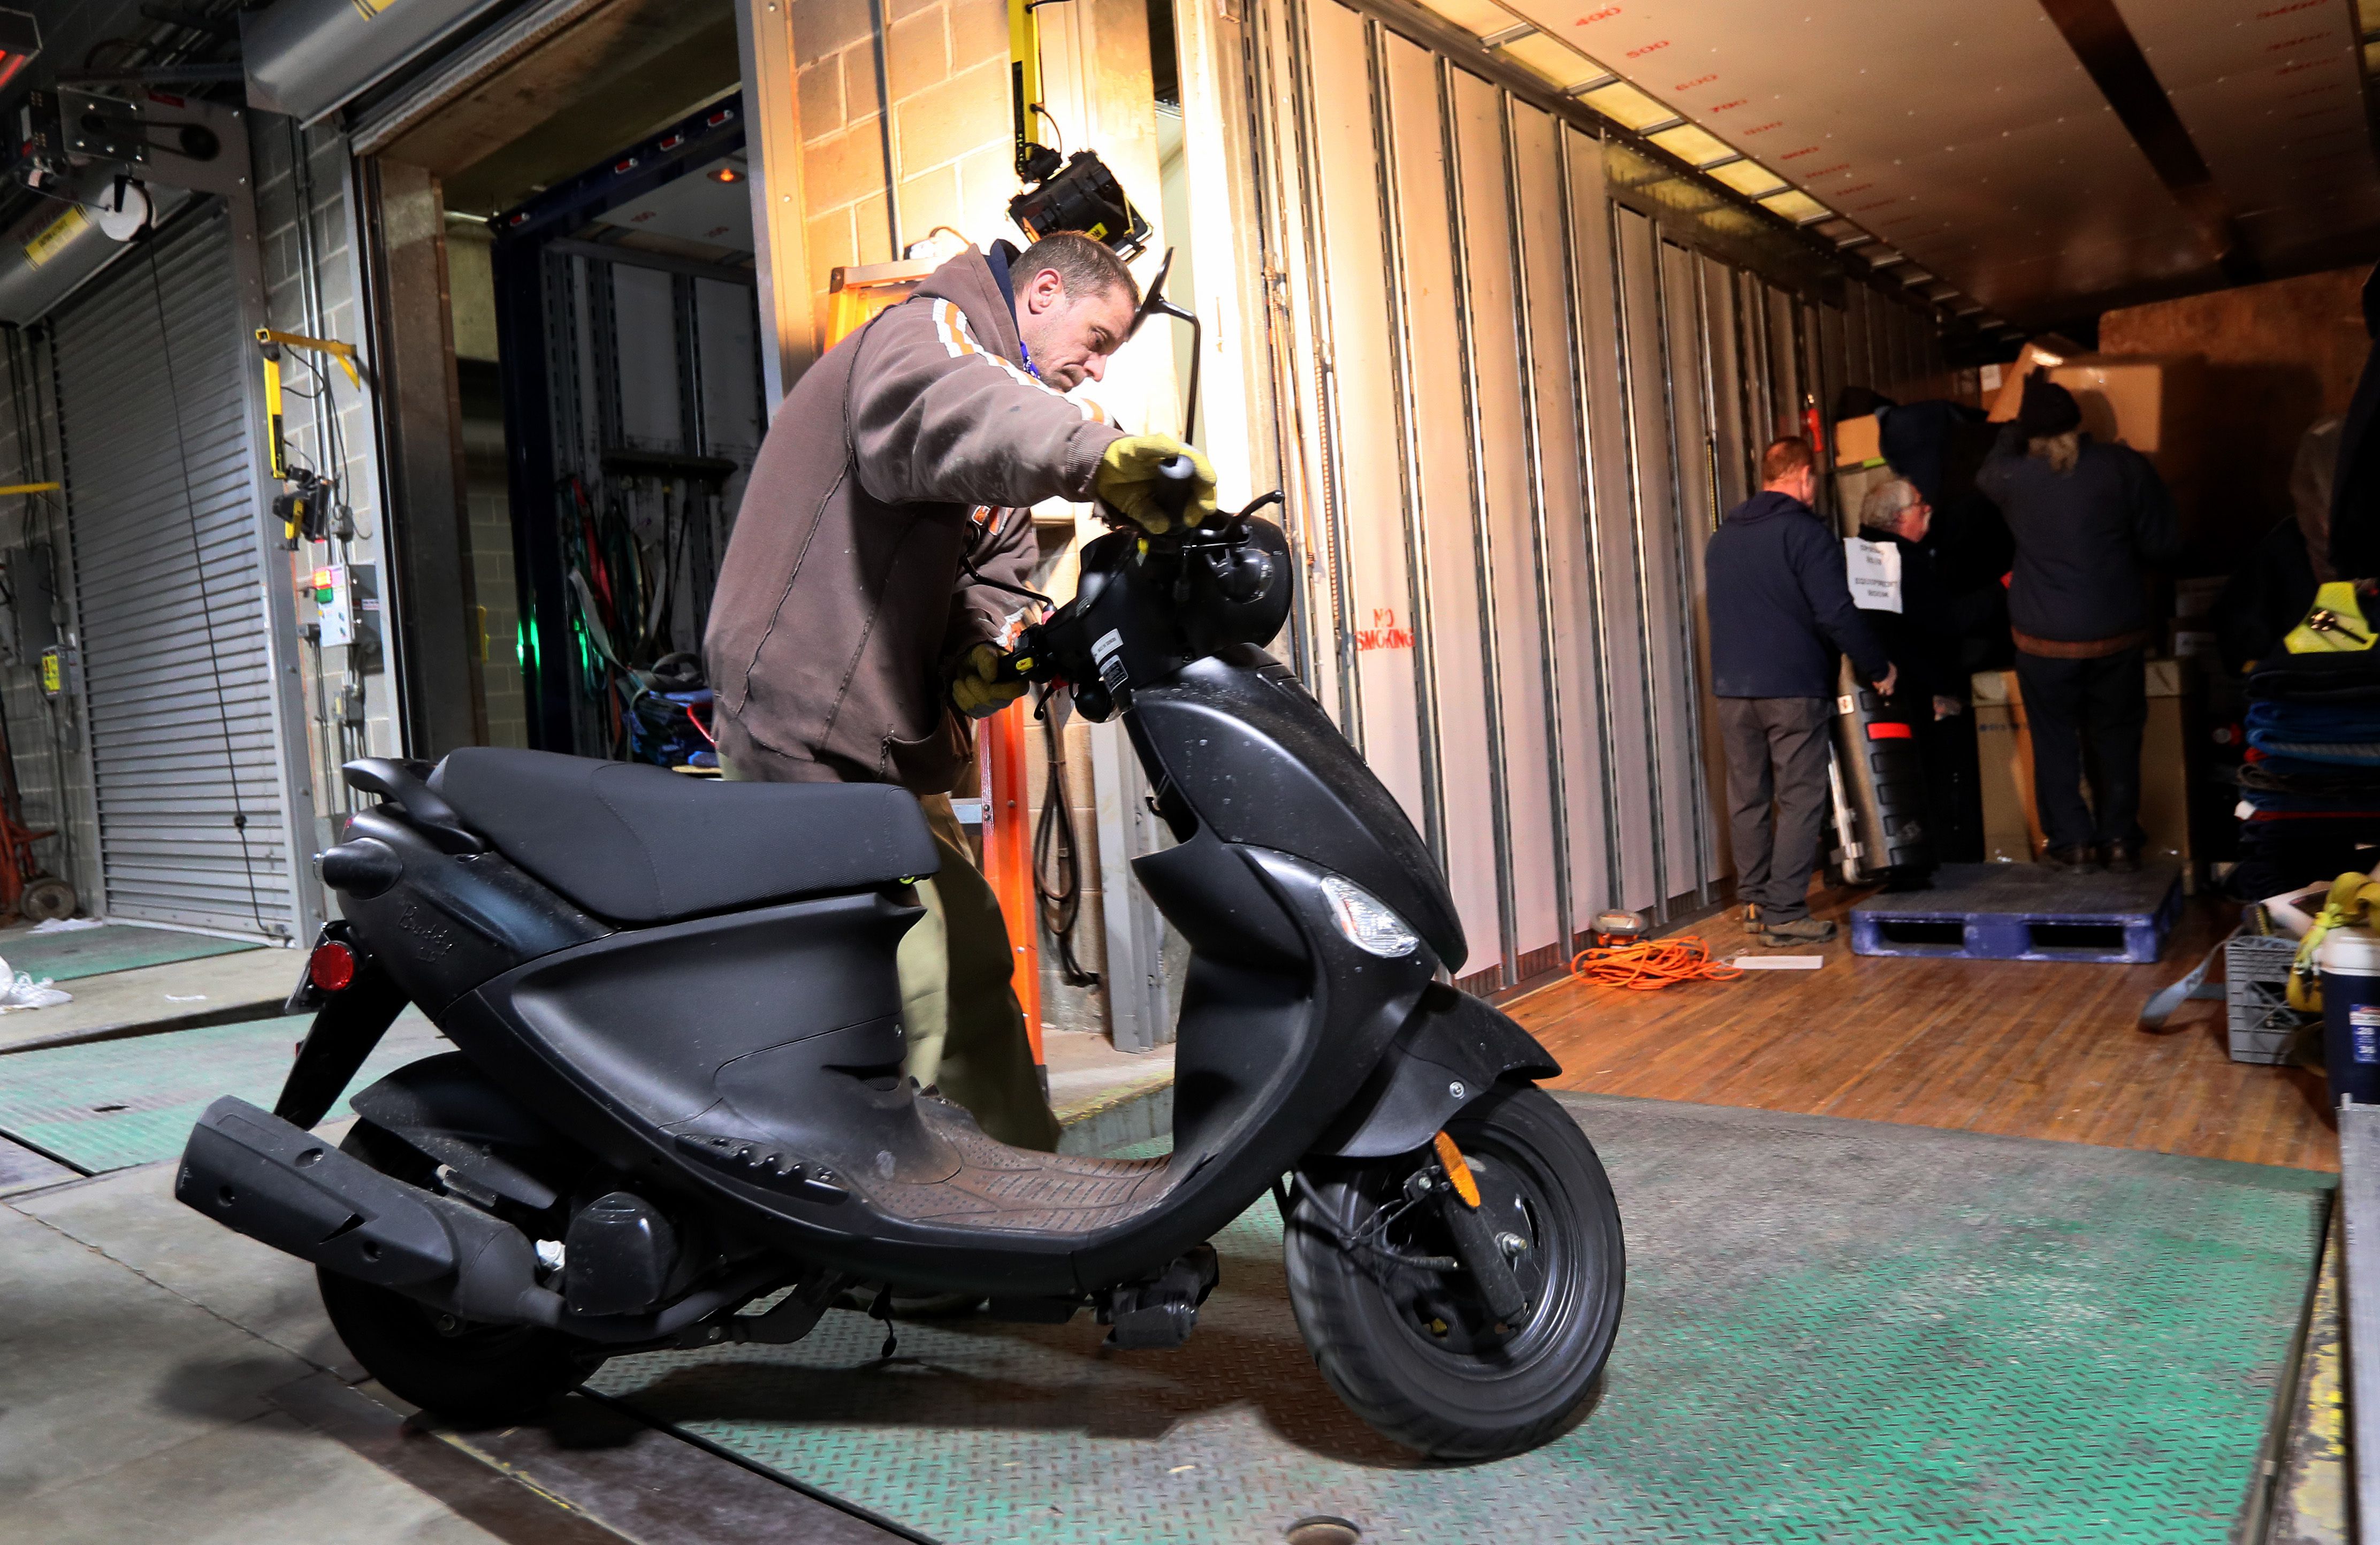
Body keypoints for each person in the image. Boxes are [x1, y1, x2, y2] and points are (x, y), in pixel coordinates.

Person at [703, 232, 1214, 1152]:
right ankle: (924, 1239)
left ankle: (1025, 1184)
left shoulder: (1002, 419)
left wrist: (991, 651)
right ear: (1042, 291)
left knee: (974, 956)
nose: (1093, 369)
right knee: (915, 977)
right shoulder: (930, 334)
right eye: (1095, 340)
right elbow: (952, 407)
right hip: (800, 723)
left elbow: (997, 575)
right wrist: (1096, 455)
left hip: (881, 740)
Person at [1976, 371, 2179, 874]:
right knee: (2118, 736)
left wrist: (2014, 422)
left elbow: (1988, 467)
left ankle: (2071, 843)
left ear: (2029, 433)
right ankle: (2118, 839)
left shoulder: (2012, 478)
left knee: (2053, 739)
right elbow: (2164, 546)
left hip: (2044, 642)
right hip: (2118, 634)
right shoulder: (2123, 467)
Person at [1706, 437, 1896, 946]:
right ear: (1804, 477)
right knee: (1800, 796)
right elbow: (1836, 612)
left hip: (1731, 690)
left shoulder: (1722, 538)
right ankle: (1785, 911)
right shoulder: (1805, 535)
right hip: (1790, 688)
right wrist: (1878, 666)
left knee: (1748, 796)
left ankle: (1754, 901)